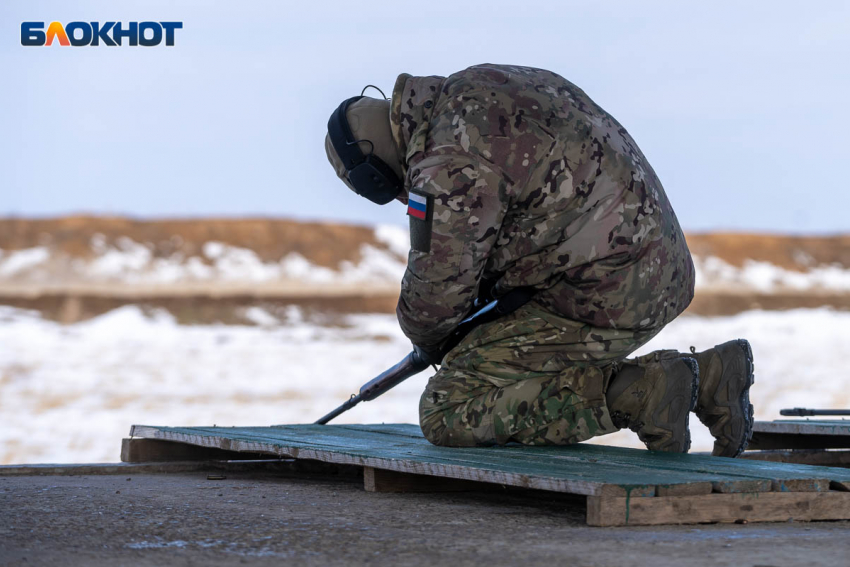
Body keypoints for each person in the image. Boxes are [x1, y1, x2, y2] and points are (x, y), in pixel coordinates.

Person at [324, 63, 754, 457]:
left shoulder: (445, 163)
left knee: (450, 405)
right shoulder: (480, 84)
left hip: (610, 290)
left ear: (374, 172)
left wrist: (430, 340)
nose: (397, 196)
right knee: (489, 355)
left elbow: (437, 295)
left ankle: (643, 393)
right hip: (655, 267)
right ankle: (711, 376)